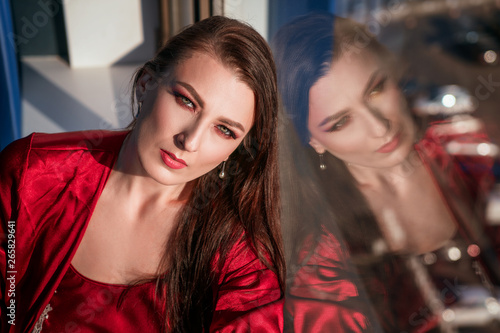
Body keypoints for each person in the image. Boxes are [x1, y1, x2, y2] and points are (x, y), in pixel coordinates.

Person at [0, 16, 285, 332]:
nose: (189, 141)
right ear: (146, 84)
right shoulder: (33, 174)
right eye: (186, 101)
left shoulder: (241, 251)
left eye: (224, 130)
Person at [273, 13, 497, 332]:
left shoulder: (467, 148)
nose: (380, 127)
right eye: (340, 122)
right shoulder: (319, 245)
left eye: (376, 89)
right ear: (311, 139)